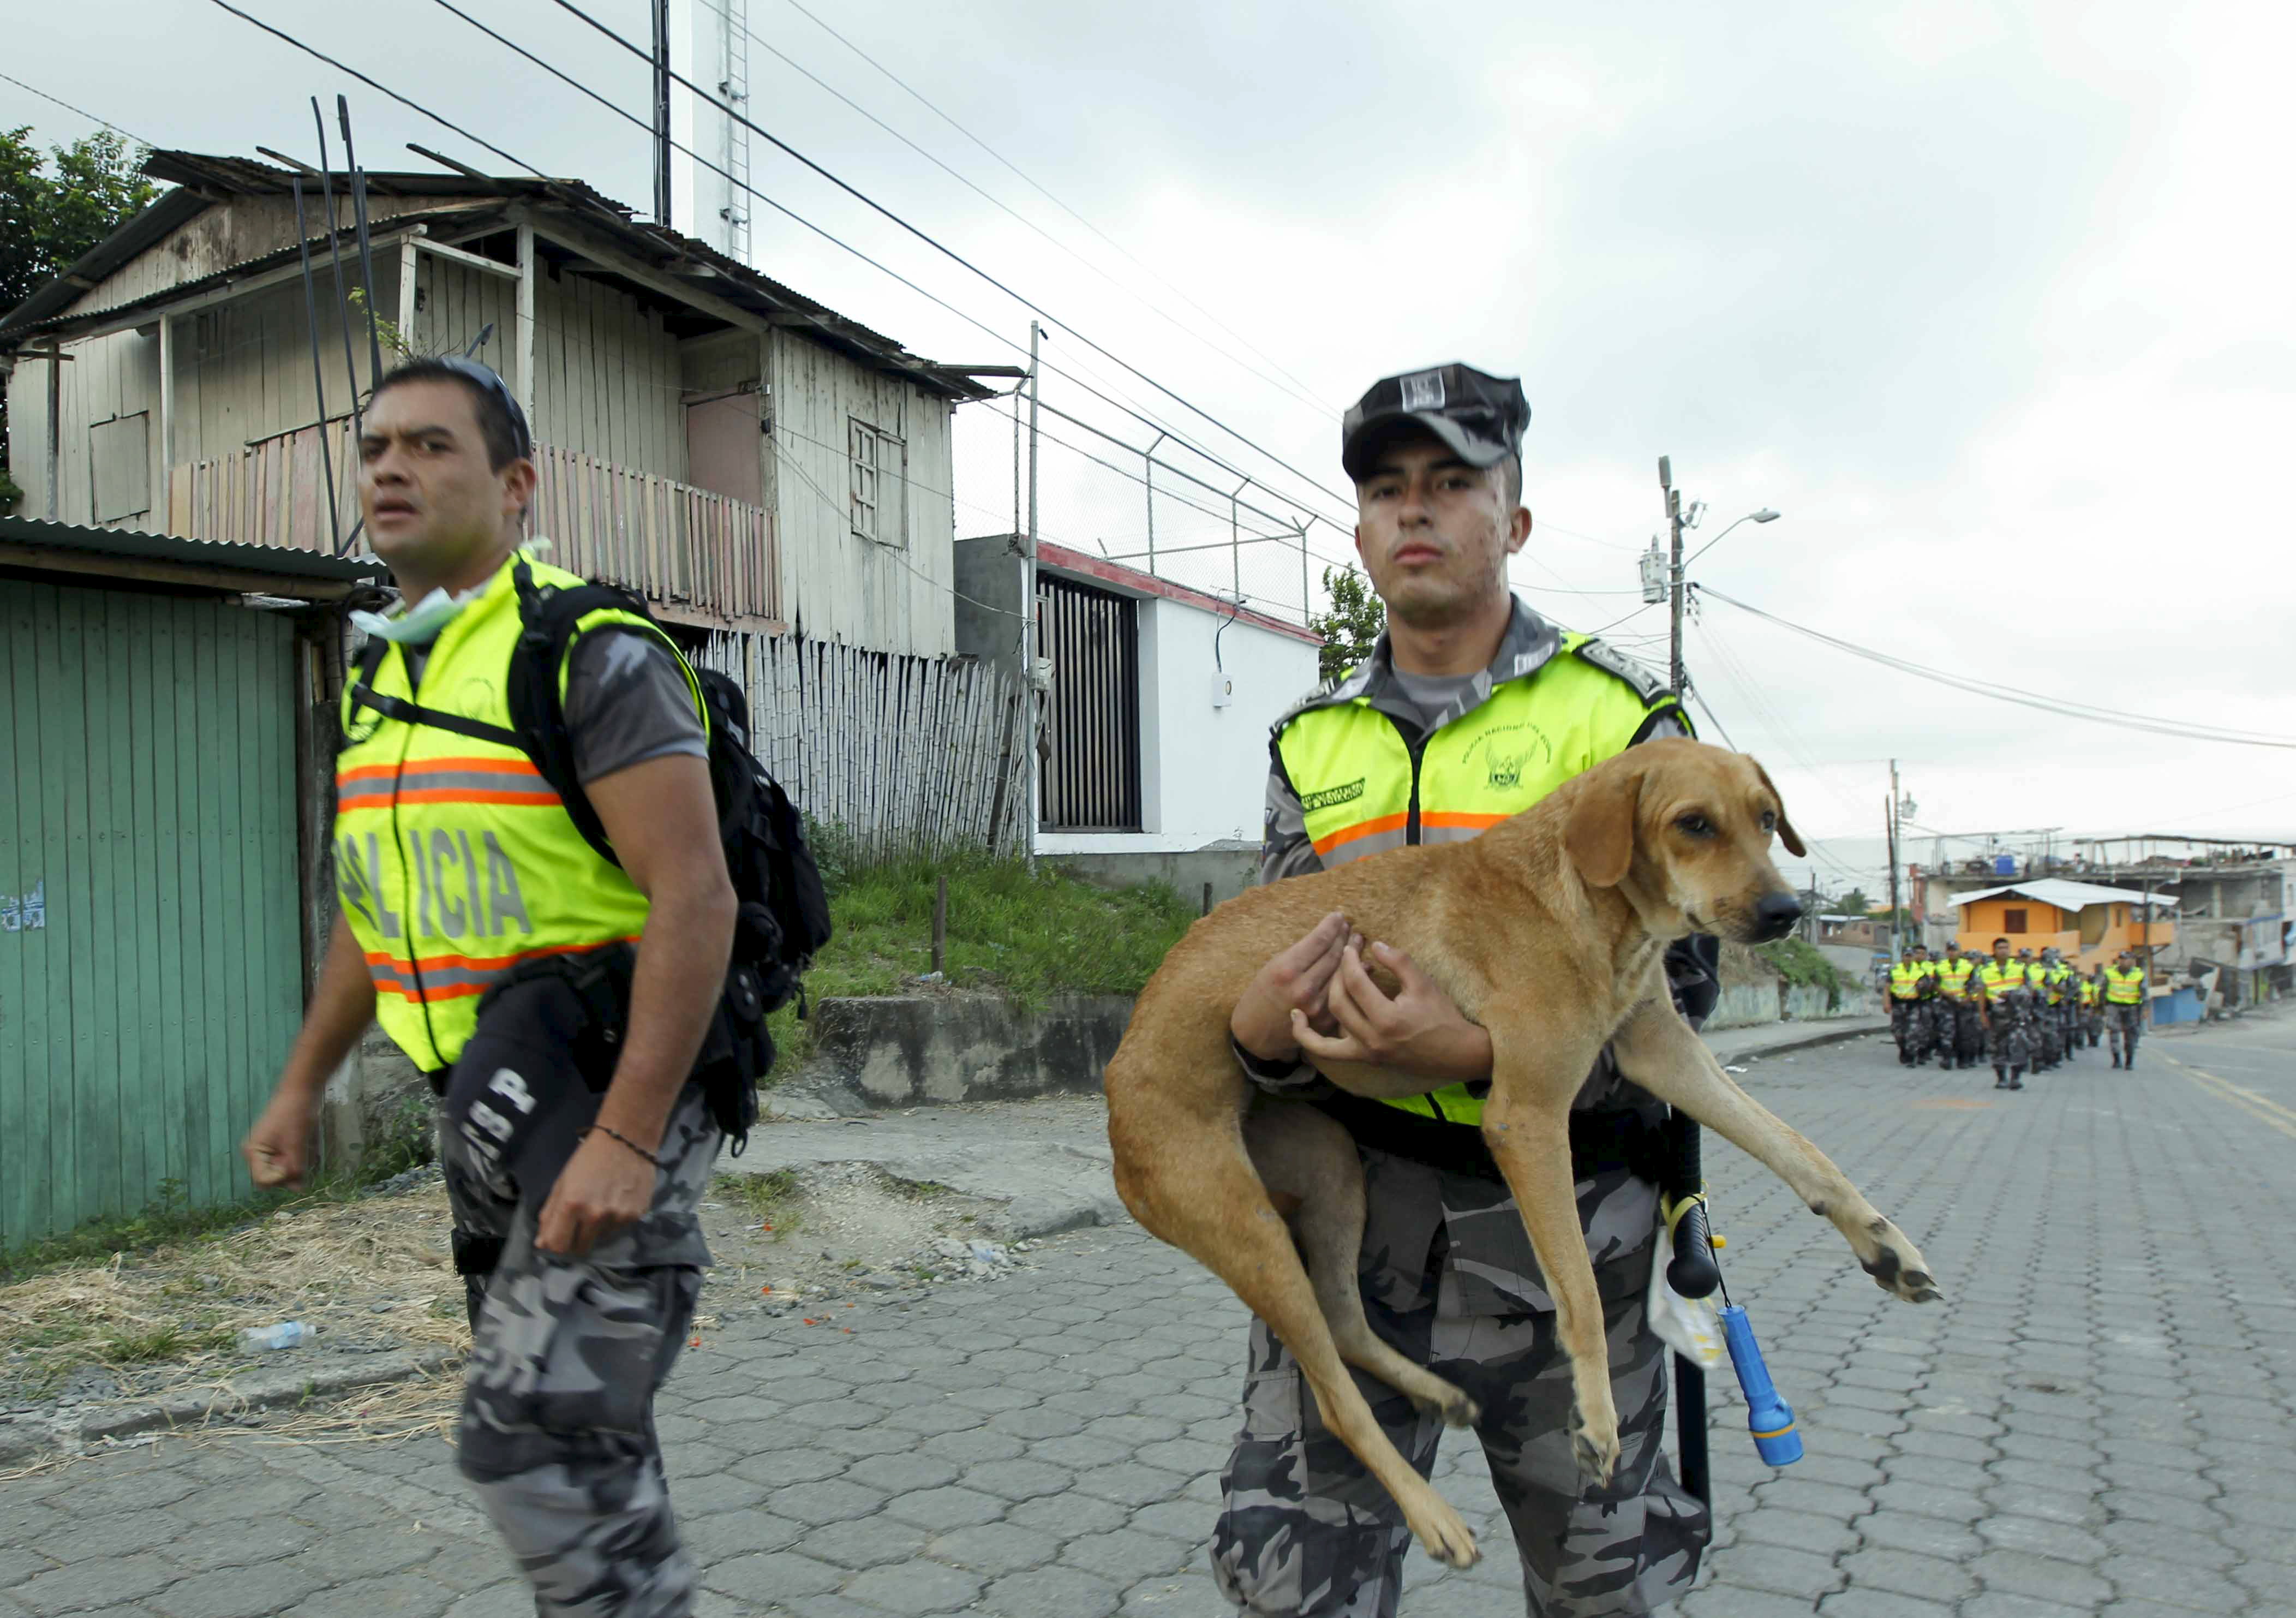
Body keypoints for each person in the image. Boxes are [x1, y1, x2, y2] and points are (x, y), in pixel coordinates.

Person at [1213, 363, 1712, 1617]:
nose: (1414, 512)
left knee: (1599, 1593)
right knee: (1294, 1591)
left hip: (1562, 1250)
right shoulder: (1310, 742)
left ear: (1515, 519)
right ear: (1363, 530)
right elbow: (1269, 980)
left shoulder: (1626, 724)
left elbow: (1679, 1000)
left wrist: (1481, 1048)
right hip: (1349, 1233)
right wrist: (1257, 1037)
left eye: (1451, 483)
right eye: (1387, 490)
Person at [240, 357, 737, 1616]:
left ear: (516, 486)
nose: (390, 468)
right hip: (491, 1105)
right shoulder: (385, 677)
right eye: (373, 448)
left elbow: (696, 897)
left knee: (529, 1431)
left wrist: (630, 1136)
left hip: (619, 1091)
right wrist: (303, 1082)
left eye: (430, 446)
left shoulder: (586, 648)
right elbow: (376, 907)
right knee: (582, 1437)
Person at [1975, 938, 2031, 1090]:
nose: (2004, 950)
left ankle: (2016, 1078)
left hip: (2017, 1012)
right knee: (1998, 1045)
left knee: (2018, 1044)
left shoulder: (2020, 968)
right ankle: (2001, 1078)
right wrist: (1982, 1014)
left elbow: (2029, 990)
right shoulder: (1985, 970)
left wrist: (2013, 994)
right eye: (2000, 948)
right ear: (1994, 951)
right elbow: (1981, 993)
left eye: (2006, 947)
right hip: (1996, 1013)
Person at [1887, 945, 1937, 1067]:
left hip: (1914, 1005)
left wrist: (1923, 987)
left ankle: (1913, 1056)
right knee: (1897, 1031)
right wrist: (1886, 1002)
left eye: (1911, 956)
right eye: (1906, 956)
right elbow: (1886, 987)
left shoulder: (1921, 972)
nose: (1909, 958)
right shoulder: (1894, 970)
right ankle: (1904, 1049)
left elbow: (1930, 986)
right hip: (1898, 1005)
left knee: (1913, 1030)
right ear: (1902, 957)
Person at [1933, 944, 1980, 1070]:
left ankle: (1962, 1059)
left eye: (1955, 950)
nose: (1952, 953)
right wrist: (1945, 993)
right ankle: (1947, 1059)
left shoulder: (1968, 967)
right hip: (1947, 1002)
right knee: (1947, 1031)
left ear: (1960, 952)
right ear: (1947, 952)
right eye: (1950, 950)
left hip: (1964, 1003)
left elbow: (1975, 985)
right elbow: (1935, 984)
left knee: (1964, 1032)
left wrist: (1968, 999)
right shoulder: (1940, 967)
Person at [2103, 950, 2148, 1068]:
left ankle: (2129, 1061)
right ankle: (2117, 1059)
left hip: (2132, 1007)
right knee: (2114, 1031)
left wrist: (2144, 1009)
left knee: (2131, 1033)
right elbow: (2103, 990)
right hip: (2114, 1006)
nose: (2124, 962)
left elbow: (2144, 993)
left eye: (2127, 959)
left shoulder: (2139, 974)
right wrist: (2101, 1007)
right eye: (2122, 959)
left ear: (2132, 961)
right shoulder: (2110, 973)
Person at [2078, 968, 2103, 1048]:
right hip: (2086, 1007)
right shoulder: (2084, 986)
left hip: (2094, 1008)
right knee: (2085, 1025)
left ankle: (2094, 1041)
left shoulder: (2096, 987)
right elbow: (2081, 997)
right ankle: (2082, 1042)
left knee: (2095, 1026)